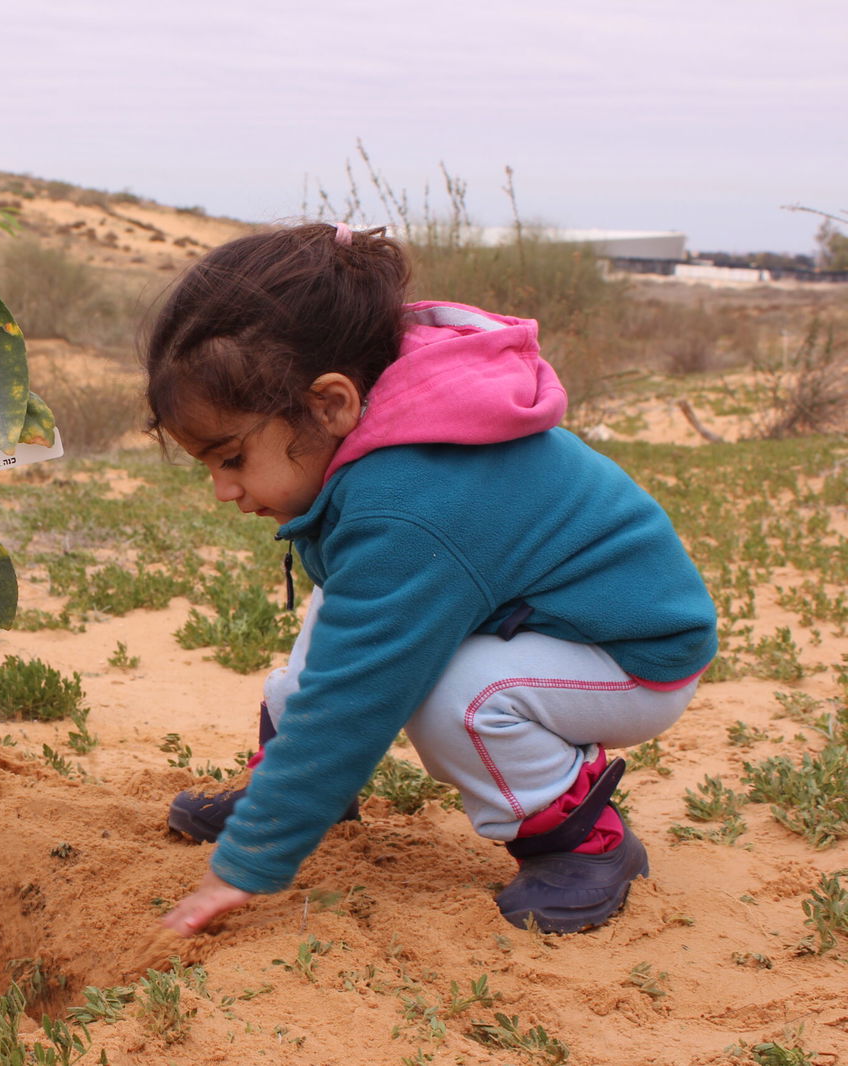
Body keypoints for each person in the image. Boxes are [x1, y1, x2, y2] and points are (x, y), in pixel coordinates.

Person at [148, 222, 717, 937]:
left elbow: (358, 694)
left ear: (330, 405)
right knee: (343, 624)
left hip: (630, 654)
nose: (221, 489)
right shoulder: (384, 438)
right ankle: (302, 788)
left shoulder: (410, 501)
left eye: (231, 457)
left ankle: (584, 842)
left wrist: (251, 858)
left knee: (456, 696)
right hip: (518, 611)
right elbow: (346, 660)